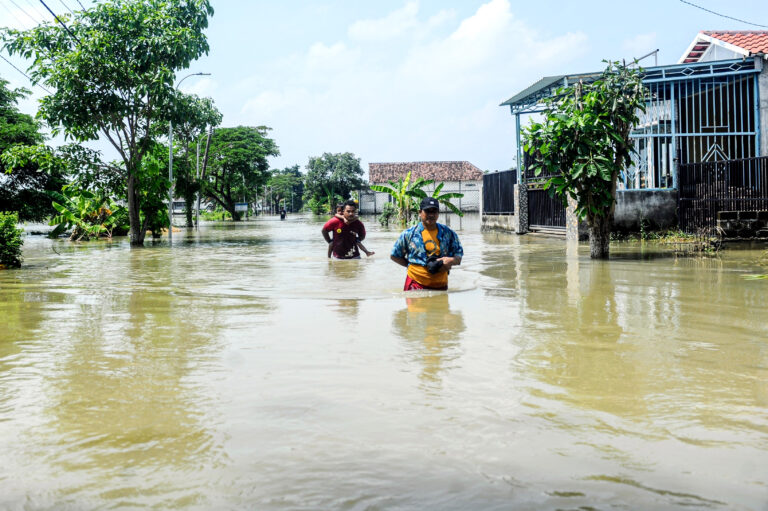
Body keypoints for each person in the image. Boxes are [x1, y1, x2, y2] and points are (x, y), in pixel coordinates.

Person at [390, 197, 463, 291]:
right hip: (415, 283)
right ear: (420, 212)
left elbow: (458, 256)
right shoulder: (409, 234)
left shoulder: (448, 233)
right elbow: (394, 255)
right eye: (428, 211)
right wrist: (412, 266)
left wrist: (450, 260)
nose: (431, 215)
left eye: (434, 211)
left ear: (438, 213)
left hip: (440, 284)